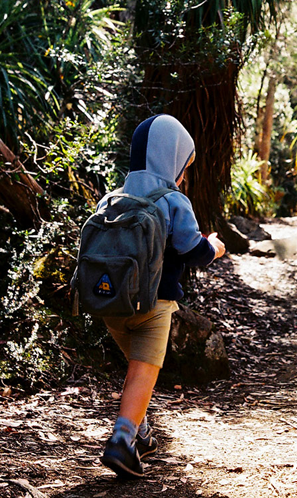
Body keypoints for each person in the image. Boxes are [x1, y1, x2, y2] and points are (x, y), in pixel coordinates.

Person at [98, 114, 226, 478]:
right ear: (170, 160)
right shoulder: (173, 199)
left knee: (137, 370)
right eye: (183, 166)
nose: (183, 176)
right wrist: (213, 247)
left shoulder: (113, 197)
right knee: (143, 370)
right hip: (154, 305)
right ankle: (122, 443)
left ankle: (140, 430)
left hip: (111, 303)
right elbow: (191, 249)